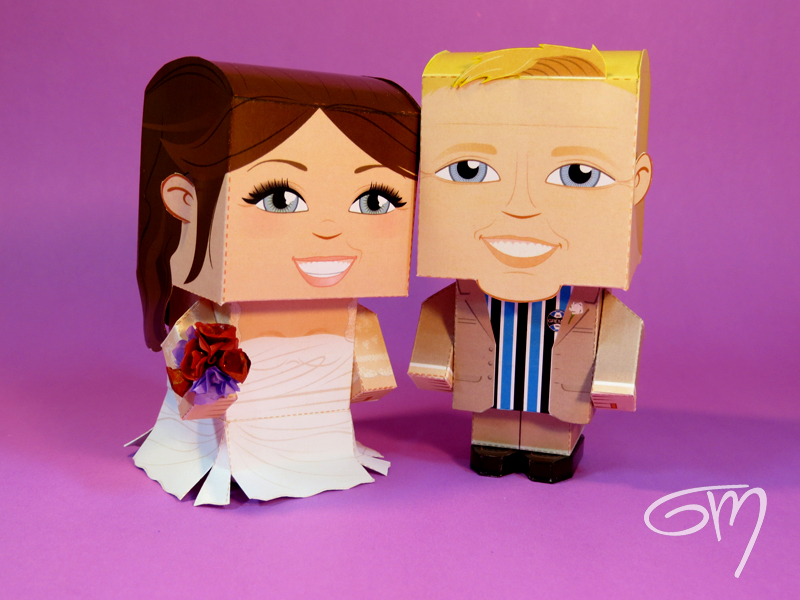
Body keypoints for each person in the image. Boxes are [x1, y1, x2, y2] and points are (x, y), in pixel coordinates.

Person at [131, 57, 419, 505]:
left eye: (374, 200)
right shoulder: (209, 319)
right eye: (280, 199)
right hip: (241, 441)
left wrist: (369, 370)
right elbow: (194, 392)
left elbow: (370, 381)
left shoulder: (350, 314)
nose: (330, 230)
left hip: (321, 436)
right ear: (184, 199)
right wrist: (202, 391)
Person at [408, 45, 652, 482]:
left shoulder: (583, 296)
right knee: (491, 433)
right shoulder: (469, 288)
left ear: (636, 183)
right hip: (488, 390)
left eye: (579, 174)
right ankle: (493, 447)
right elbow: (438, 313)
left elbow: (619, 325)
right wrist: (432, 362)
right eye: (468, 169)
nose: (520, 208)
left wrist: (612, 380)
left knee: (551, 438)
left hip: (559, 395)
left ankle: (551, 452)